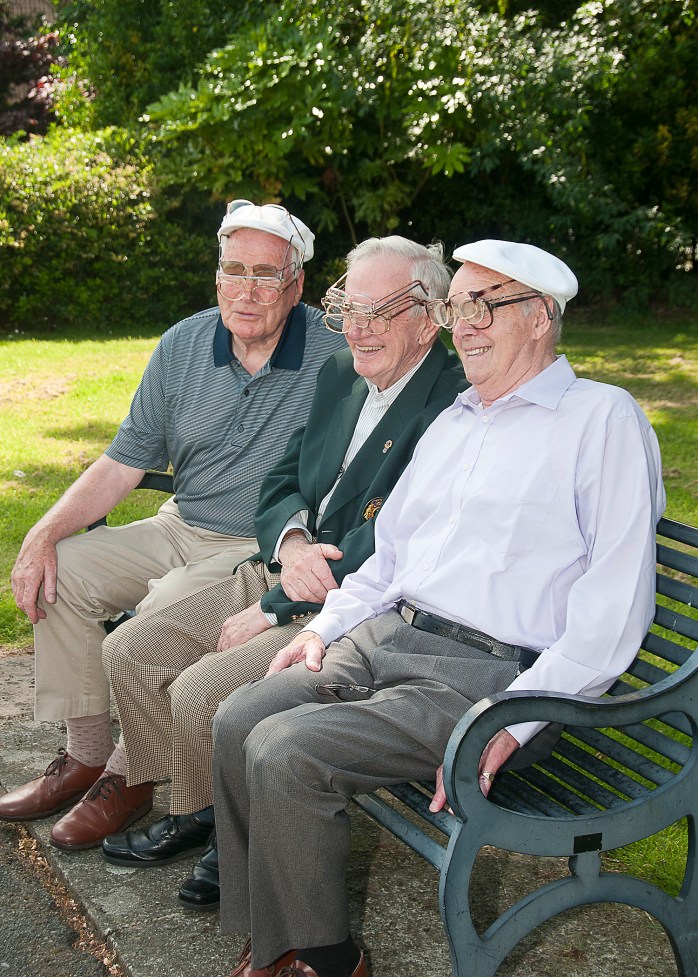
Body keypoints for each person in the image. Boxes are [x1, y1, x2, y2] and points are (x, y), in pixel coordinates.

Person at [210, 238, 665, 977]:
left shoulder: (601, 419)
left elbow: (614, 609)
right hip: (390, 637)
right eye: (458, 308)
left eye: (487, 306)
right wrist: (326, 627)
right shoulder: (457, 420)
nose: (467, 326)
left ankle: (327, 960)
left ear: (541, 317)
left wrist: (512, 719)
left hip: (488, 677)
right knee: (239, 717)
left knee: (288, 750)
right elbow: (389, 558)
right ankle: (273, 938)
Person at [98, 236, 467, 909]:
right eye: (348, 310)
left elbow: (392, 543)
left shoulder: (452, 403)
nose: (356, 329)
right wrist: (292, 540)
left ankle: (227, 838)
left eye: (378, 312)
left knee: (202, 692)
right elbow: (281, 480)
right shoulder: (342, 373)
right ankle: (197, 807)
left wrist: (272, 606)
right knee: (130, 649)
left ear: (426, 318)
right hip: (287, 567)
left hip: (349, 605)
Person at [0, 199, 345, 849]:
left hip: (262, 544)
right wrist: (43, 533)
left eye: (265, 275)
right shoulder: (184, 343)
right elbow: (121, 463)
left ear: (296, 284)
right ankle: (85, 756)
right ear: (217, 275)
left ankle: (130, 774)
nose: (245, 290)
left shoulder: (337, 349)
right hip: (179, 523)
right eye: (233, 270)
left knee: (163, 608)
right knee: (61, 571)